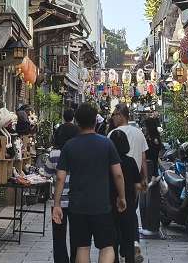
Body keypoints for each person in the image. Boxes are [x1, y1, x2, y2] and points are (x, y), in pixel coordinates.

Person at [53, 103, 125, 263]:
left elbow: (60, 177)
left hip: (77, 207)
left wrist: (57, 204)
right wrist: (122, 197)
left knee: (82, 247)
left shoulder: (69, 146)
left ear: (77, 122)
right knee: (107, 247)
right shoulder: (107, 143)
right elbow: (118, 174)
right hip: (102, 206)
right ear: (95, 122)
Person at [109, 129, 140, 263]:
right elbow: (137, 185)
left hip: (110, 203)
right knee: (128, 237)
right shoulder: (131, 161)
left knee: (112, 238)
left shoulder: (108, 163)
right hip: (128, 203)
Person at [44, 123, 73, 263]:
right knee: (77, 236)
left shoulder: (54, 154)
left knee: (59, 236)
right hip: (76, 199)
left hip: (58, 200)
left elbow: (47, 173)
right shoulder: (78, 151)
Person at [110, 104, 148, 190]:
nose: (113, 118)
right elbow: (143, 158)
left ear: (120, 115)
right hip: (135, 182)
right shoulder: (139, 133)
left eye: (114, 115)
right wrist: (145, 178)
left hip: (116, 183)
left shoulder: (113, 134)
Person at [139, 117, 164, 238]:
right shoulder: (149, 138)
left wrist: (154, 174)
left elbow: (153, 158)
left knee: (149, 200)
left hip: (150, 171)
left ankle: (150, 226)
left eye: (145, 126)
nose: (143, 128)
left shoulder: (154, 140)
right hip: (147, 170)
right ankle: (145, 226)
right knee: (144, 200)